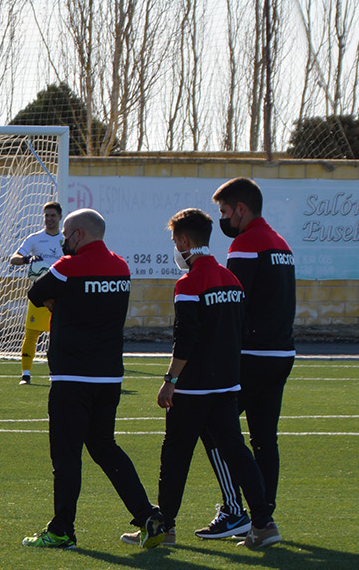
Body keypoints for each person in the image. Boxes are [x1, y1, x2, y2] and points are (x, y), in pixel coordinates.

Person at [21, 208, 167, 550]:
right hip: (109, 376)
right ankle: (148, 516)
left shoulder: (67, 267)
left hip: (72, 376)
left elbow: (35, 294)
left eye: (66, 236)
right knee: (105, 447)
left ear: (79, 235)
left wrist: (62, 304)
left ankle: (62, 530)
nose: (63, 242)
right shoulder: (121, 266)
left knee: (67, 455)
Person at [124, 208, 269, 549]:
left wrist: (170, 380)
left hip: (193, 388)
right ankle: (264, 521)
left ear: (185, 241)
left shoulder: (189, 283)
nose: (175, 247)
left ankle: (165, 528)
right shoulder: (231, 279)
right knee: (237, 452)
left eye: (175, 241)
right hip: (226, 384)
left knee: (175, 455)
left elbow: (185, 338)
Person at [212, 177, 296, 549]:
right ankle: (264, 519)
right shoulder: (280, 243)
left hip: (253, 354)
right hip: (281, 353)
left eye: (225, 212)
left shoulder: (245, 244)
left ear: (241, 209)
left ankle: (237, 511)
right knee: (264, 439)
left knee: (214, 425)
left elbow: (233, 303)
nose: (224, 219)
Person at [9, 201, 64, 385]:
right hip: (40, 294)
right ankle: (26, 375)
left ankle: (58, 373)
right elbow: (13, 259)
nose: (49, 219)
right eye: (46, 215)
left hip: (61, 296)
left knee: (60, 336)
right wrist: (27, 259)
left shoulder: (66, 240)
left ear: (60, 217)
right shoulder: (35, 238)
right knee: (32, 334)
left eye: (53, 216)